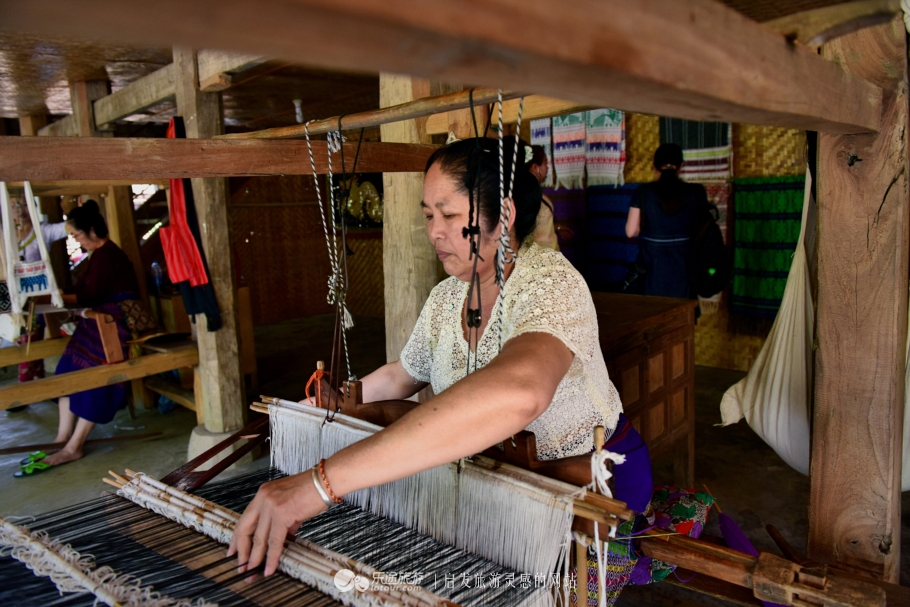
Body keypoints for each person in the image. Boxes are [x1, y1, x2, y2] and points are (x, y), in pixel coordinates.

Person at [229, 137, 652, 577]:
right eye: (429, 215)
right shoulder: (446, 298)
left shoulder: (550, 283)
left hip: (585, 490)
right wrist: (322, 407)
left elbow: (522, 391)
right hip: (492, 489)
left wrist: (321, 483)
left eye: (450, 215)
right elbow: (402, 377)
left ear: (503, 216)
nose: (435, 231)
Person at [31, 200, 140, 469]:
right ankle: (62, 437)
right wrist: (54, 296)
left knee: (94, 375)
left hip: (116, 324)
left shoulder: (110, 256)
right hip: (97, 322)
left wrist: (55, 297)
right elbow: (81, 289)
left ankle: (74, 446)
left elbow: (89, 295)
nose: (77, 241)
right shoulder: (98, 257)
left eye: (78, 235)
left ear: (91, 230)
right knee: (69, 366)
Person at [625, 143, 708, 298]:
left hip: (653, 271)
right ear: (681, 166)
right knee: (683, 317)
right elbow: (703, 231)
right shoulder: (696, 192)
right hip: (686, 271)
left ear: (655, 167)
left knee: (654, 316)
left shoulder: (644, 192)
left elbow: (631, 231)